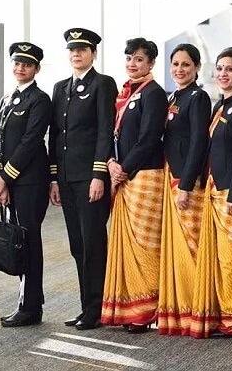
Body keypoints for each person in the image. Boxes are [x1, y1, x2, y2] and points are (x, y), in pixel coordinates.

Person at [48, 28, 116, 330]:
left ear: (93, 53)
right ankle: (85, 306)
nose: (77, 53)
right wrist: (54, 178)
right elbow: (56, 136)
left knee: (93, 245)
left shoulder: (102, 84)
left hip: (90, 178)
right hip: (66, 177)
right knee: (77, 246)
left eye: (83, 49)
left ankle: (97, 309)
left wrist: (99, 174)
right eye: (72, 49)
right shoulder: (60, 87)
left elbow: (105, 131)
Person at [102, 37, 167, 333]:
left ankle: (147, 310)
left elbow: (149, 139)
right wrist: (111, 164)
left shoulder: (153, 93)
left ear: (151, 63)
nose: (132, 63)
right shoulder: (124, 93)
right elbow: (115, 135)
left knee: (145, 244)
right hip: (125, 176)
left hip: (146, 176)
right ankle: (130, 308)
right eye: (129, 58)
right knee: (126, 245)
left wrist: (123, 169)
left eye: (139, 59)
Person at [190, 47, 232, 338]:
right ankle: (229, 316)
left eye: (230, 69)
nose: (223, 74)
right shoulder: (221, 105)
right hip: (216, 192)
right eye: (220, 68)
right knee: (222, 259)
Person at [0, 42, 51, 327]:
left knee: (29, 241)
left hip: (29, 183)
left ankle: (31, 306)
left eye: (27, 64)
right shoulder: (7, 99)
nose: (20, 68)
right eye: (17, 63)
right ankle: (26, 301)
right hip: (10, 182)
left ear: (36, 68)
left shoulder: (40, 99)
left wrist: (6, 176)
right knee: (18, 241)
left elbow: (30, 142)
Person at [157, 44, 210, 335]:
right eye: (175, 64)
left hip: (186, 182)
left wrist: (187, 185)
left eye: (186, 65)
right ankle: (179, 310)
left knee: (192, 248)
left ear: (197, 67)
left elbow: (198, 143)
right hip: (171, 175)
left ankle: (196, 310)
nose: (180, 69)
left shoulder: (198, 97)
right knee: (177, 248)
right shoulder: (175, 96)